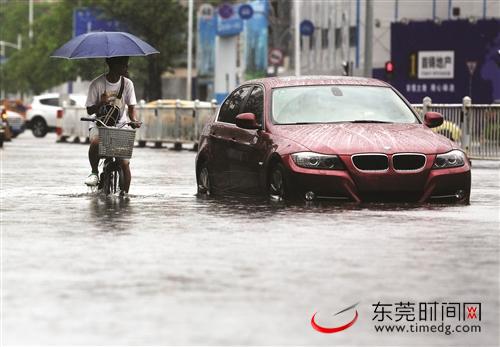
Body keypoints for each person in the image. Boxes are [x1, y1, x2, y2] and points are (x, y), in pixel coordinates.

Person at [84, 56, 140, 195]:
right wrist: (101, 104)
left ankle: (125, 195)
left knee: (125, 163)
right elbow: (90, 110)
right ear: (111, 64)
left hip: (120, 125)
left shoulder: (127, 84)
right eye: (123, 64)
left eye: (126, 64)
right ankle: (94, 172)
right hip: (100, 124)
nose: (126, 67)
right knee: (96, 142)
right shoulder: (96, 84)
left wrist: (134, 120)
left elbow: (132, 108)